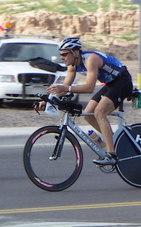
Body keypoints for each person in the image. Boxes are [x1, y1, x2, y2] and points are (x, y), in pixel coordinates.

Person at [36, 37, 133, 166]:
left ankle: (111, 154)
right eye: (61, 54)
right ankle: (114, 141)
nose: (62, 57)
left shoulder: (90, 59)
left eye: (65, 54)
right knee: (88, 114)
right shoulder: (72, 66)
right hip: (111, 84)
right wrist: (47, 100)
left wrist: (65, 88)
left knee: (99, 112)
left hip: (123, 81)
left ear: (75, 52)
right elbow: (63, 88)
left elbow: (89, 88)